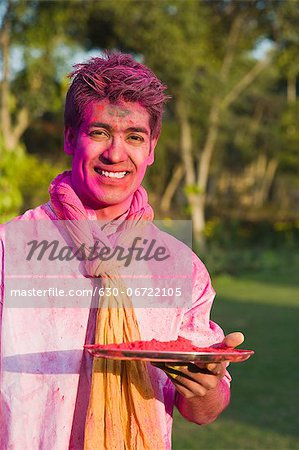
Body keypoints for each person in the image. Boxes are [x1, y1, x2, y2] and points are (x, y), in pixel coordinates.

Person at [0, 52, 244, 450]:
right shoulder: (10, 251)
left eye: (134, 136)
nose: (116, 153)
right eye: (99, 132)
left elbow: (204, 412)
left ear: (151, 148)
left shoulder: (182, 269)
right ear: (68, 137)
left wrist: (206, 387)